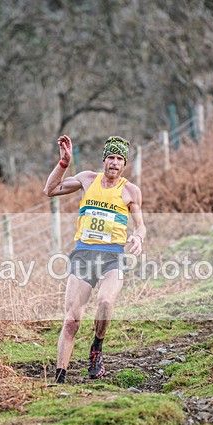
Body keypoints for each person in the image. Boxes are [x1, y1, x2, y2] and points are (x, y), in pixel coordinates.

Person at [43, 135, 146, 384]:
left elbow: (140, 226)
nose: (114, 162)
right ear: (104, 159)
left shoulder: (131, 191)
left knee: (105, 301)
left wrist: (138, 238)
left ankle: (96, 348)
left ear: (124, 164)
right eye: (110, 157)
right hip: (84, 253)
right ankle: (59, 379)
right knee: (71, 320)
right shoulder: (87, 179)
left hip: (112, 256)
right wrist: (63, 164)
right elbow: (50, 190)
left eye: (119, 158)